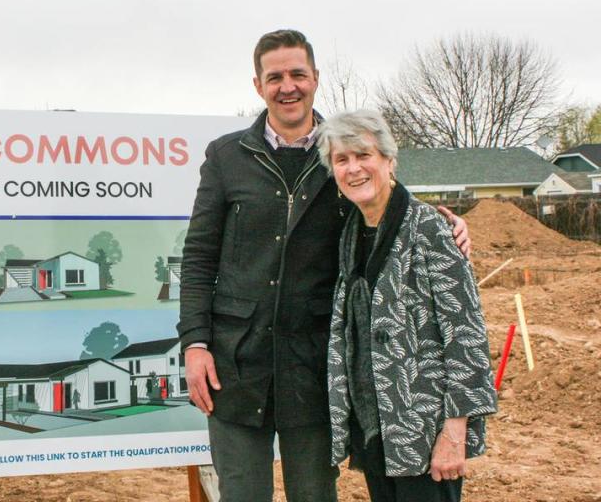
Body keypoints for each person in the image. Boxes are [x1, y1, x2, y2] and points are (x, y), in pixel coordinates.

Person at [176, 29, 471, 502]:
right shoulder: (227, 157)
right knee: (241, 494)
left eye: (298, 74)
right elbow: (198, 257)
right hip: (235, 365)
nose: (287, 86)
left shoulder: (341, 150)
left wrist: (443, 219)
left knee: (314, 494)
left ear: (316, 78)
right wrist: (195, 343)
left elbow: (388, 202)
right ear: (258, 85)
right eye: (275, 77)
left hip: (313, 368)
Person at [317, 109, 497, 502]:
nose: (354, 168)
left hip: (427, 430)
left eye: (364, 155)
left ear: (388, 159)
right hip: (377, 427)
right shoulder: (350, 232)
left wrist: (454, 433)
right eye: (341, 159)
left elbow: (466, 335)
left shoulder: (429, 228)